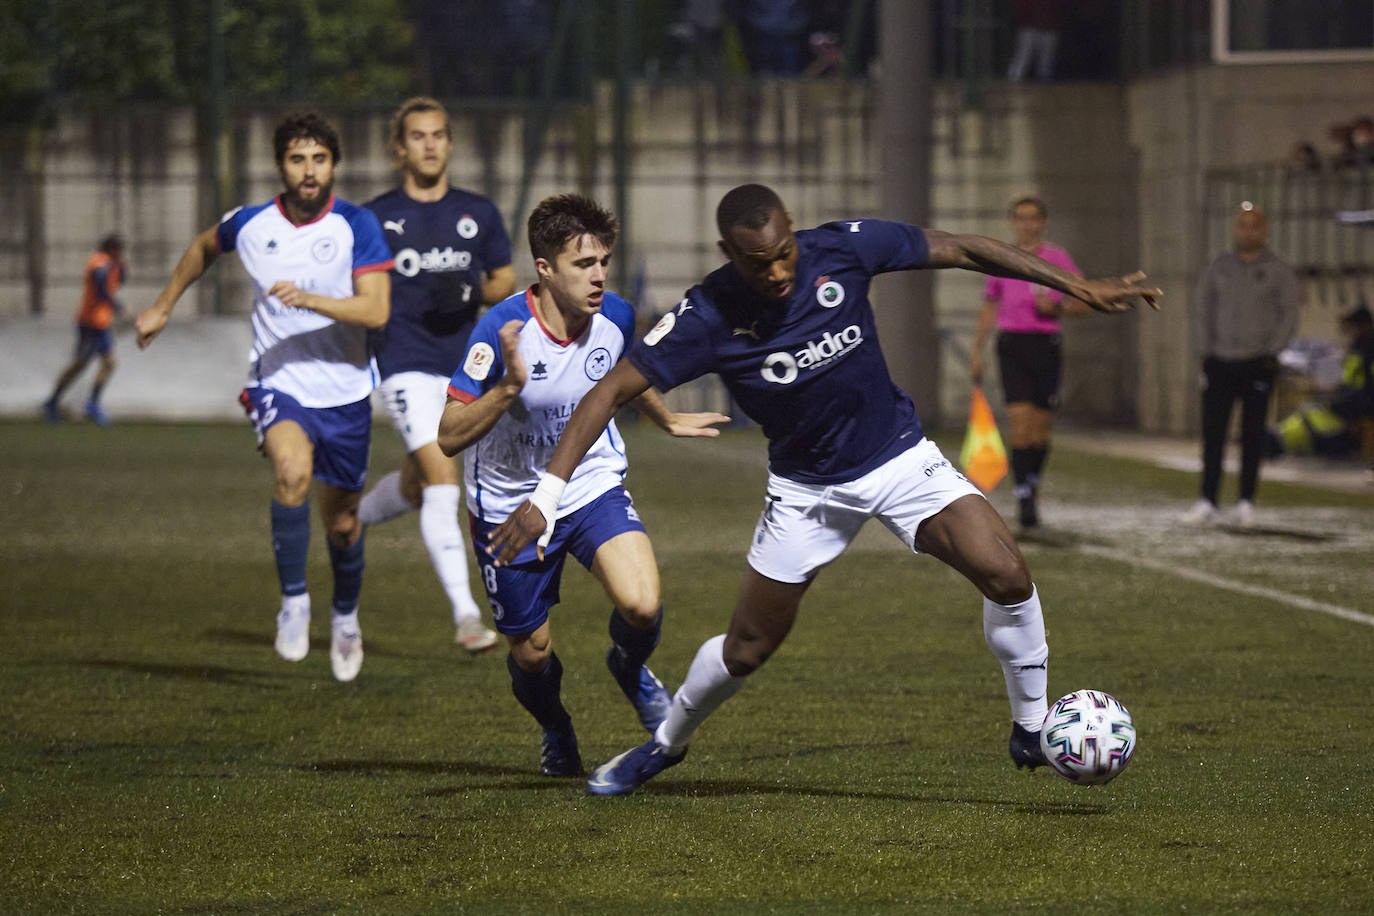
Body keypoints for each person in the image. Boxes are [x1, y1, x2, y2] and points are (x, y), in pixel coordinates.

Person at [485, 183, 1160, 795]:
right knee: (748, 648)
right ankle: (665, 744)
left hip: (898, 459)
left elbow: (960, 248)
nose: (777, 272)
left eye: (784, 254)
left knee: (1007, 573)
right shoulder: (708, 315)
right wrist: (544, 499)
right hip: (807, 494)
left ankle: (1031, 727)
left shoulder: (840, 249)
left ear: (794, 233)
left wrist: (1078, 287)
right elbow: (607, 392)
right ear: (729, 254)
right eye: (758, 263)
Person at [436, 193, 729, 776]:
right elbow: (446, 436)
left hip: (589, 483)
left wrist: (664, 416)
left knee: (643, 605)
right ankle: (555, 727)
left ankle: (628, 664)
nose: (598, 277)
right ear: (544, 269)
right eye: (582, 265)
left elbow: (622, 375)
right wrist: (507, 388)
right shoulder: (502, 329)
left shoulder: (615, 315)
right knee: (533, 653)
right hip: (509, 505)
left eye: (603, 262)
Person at [135, 111, 393, 683]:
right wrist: (163, 305)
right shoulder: (251, 223)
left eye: (319, 159)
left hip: (346, 391)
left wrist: (310, 299)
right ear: (281, 166)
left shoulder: (357, 224)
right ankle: (294, 601)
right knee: (291, 472)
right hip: (277, 383)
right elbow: (206, 245)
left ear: (334, 165)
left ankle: (345, 617)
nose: (309, 170)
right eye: (298, 159)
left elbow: (376, 309)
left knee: (344, 525)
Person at [357, 97, 515, 654]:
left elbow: (505, 281)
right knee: (445, 482)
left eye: (439, 135)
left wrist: (473, 290)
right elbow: (361, 290)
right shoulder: (373, 218)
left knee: (417, 481)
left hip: (464, 367)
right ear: (398, 148)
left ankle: (353, 519)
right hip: (402, 363)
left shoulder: (479, 212)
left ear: (450, 143)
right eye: (418, 136)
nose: (430, 144)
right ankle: (467, 615)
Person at [969, 195, 1082, 530]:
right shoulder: (1001, 257)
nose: (1027, 224)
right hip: (1012, 345)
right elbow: (990, 305)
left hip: (1045, 344)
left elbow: (1084, 298)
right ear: (1012, 222)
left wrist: (1057, 309)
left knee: (1039, 430)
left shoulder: (1057, 258)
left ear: (1043, 222)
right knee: (1020, 424)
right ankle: (1024, 497)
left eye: (1033, 218)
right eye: (1020, 218)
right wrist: (977, 350)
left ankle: (1032, 483)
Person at [1182, 202, 1298, 528]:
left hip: (1258, 364)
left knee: (1252, 434)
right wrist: (1206, 350)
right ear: (1235, 229)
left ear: (1264, 230)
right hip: (1219, 362)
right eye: (1242, 225)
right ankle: (1207, 500)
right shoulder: (1218, 267)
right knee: (1213, 433)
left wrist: (1271, 351)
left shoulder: (1278, 270)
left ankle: (1246, 501)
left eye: (1254, 225)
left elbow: (1288, 315)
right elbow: (1201, 309)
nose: (1248, 231)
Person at [43, 234, 128, 426]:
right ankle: (56, 401)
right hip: (92, 323)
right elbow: (101, 288)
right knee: (83, 364)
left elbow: (120, 281)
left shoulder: (110, 264)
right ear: (113, 250)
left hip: (100, 323)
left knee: (107, 362)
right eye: (120, 251)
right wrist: (119, 307)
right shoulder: (99, 263)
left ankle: (89, 404)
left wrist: (122, 265)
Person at [1007, 0, 1064, 83]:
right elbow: (1020, 9)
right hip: (1029, 28)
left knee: (1046, 62)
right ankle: (1012, 85)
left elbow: (1060, 8)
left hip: (1049, 27)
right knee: (1023, 59)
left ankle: (1044, 89)